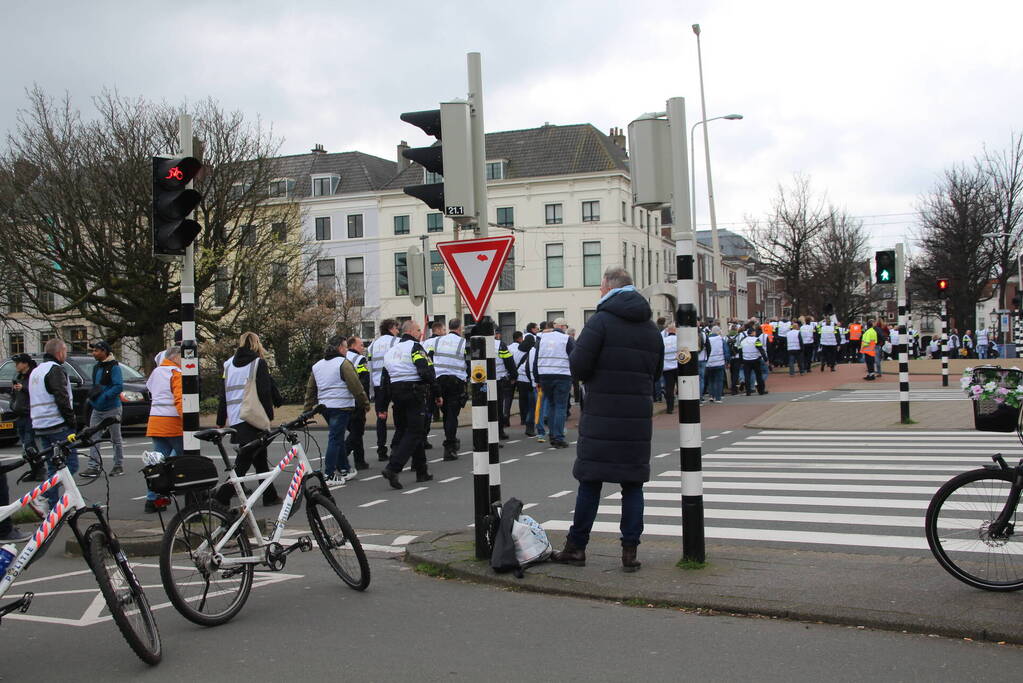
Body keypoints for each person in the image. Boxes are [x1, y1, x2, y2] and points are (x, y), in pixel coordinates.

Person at [552, 267, 661, 572]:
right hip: (636, 418)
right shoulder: (650, 328)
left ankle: (576, 548)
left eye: (601, 288)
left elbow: (578, 365)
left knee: (590, 482)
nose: (599, 292)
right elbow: (656, 373)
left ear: (609, 288)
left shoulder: (599, 322)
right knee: (633, 485)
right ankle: (630, 552)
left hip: (601, 414)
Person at [215, 332, 283, 507]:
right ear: (256, 343)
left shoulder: (228, 365)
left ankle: (269, 495)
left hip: (235, 417)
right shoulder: (258, 363)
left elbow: (223, 394)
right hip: (252, 416)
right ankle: (221, 497)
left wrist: (221, 418)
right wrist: (268, 416)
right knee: (244, 461)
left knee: (259, 457)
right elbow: (264, 391)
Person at [378, 320, 440, 489]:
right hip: (414, 392)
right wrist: (437, 392)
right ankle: (393, 468)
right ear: (411, 331)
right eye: (419, 330)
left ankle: (422, 471)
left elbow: (384, 380)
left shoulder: (391, 351)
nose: (420, 333)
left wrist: (382, 405)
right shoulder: (415, 347)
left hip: (396, 393)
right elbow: (425, 369)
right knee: (415, 431)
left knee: (410, 430)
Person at [304, 335, 370, 484]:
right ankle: (329, 474)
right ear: (340, 348)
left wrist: (307, 409)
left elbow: (310, 389)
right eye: (345, 347)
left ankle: (344, 468)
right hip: (341, 406)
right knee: (335, 438)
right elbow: (356, 385)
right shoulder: (343, 363)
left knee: (338, 438)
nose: (347, 350)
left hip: (324, 407)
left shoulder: (318, 365)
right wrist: (364, 403)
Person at [30, 338, 80, 509]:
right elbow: (61, 397)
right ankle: (44, 496)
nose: (66, 354)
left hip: (40, 424)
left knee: (53, 467)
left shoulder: (36, 371)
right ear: (59, 352)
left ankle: (52, 508)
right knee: (70, 465)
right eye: (65, 351)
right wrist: (72, 421)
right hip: (57, 424)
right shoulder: (55, 370)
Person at [143, 345, 183, 513]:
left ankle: (153, 498)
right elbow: (180, 399)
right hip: (172, 422)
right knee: (185, 457)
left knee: (158, 461)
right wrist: (188, 421)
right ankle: (191, 491)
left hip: (155, 420)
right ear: (176, 357)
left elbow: (150, 389)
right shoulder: (176, 373)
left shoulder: (157, 372)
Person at [80, 340, 125, 478]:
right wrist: (93, 398)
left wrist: (105, 396)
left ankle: (118, 465)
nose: (93, 353)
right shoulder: (96, 367)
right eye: (93, 351)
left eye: (96, 351)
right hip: (97, 409)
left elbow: (118, 386)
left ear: (104, 351)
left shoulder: (114, 367)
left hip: (112, 408)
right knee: (93, 436)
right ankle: (93, 466)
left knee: (115, 438)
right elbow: (97, 385)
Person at [533, 316, 575, 448]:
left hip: (545, 376)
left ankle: (551, 434)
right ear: (562, 327)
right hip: (562, 376)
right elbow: (574, 357)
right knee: (560, 406)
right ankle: (558, 437)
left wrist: (537, 378)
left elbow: (536, 359)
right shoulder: (567, 339)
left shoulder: (541, 338)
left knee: (551, 405)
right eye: (566, 327)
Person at [431, 318, 468, 460]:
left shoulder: (437, 341)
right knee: (452, 415)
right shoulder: (463, 342)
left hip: (439, 381)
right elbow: (468, 361)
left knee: (446, 414)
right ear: (459, 328)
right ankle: (450, 447)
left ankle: (450, 439)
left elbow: (430, 358)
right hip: (455, 381)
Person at [367, 319, 400, 462]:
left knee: (381, 418)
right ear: (391, 328)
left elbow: (370, 368)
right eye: (397, 328)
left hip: (378, 386)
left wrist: (371, 392)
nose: (398, 331)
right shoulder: (397, 342)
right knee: (400, 415)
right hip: (394, 383)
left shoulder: (372, 345)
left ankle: (381, 450)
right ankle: (396, 447)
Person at [9, 354, 44, 481]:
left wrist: (23, 388)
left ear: (25, 364)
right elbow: (14, 395)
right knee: (25, 445)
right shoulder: (18, 377)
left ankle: (40, 469)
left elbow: (38, 392)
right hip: (20, 415)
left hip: (30, 415)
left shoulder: (33, 376)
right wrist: (13, 405)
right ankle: (34, 469)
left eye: (18, 363)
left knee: (29, 443)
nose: (16, 366)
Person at [344, 336, 371, 470]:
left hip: (343, 400)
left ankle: (360, 461)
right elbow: (364, 381)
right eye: (361, 345)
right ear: (353, 345)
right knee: (357, 431)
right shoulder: (359, 359)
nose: (363, 348)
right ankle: (341, 455)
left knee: (355, 430)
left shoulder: (342, 357)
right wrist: (365, 400)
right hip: (356, 399)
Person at [510, 331, 536, 435]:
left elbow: (513, 363)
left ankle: (523, 418)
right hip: (529, 379)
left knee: (522, 399)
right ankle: (530, 421)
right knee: (531, 402)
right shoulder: (532, 351)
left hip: (519, 378)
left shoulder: (517, 350)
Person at [494, 330, 517, 440]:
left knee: (485, 407)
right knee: (498, 406)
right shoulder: (500, 345)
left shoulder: (478, 343)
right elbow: (509, 361)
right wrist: (513, 376)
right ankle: (499, 432)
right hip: (498, 380)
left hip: (482, 382)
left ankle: (486, 432)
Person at [740, 325, 769, 395]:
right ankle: (761, 391)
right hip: (755, 360)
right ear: (753, 333)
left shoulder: (743, 341)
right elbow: (761, 350)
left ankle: (748, 391)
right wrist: (766, 359)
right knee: (758, 375)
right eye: (754, 332)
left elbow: (740, 351)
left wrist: (741, 361)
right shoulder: (756, 340)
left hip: (746, 360)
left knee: (747, 376)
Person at [705, 325, 727, 403]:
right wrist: (727, 361)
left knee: (711, 380)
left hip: (709, 363)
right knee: (719, 380)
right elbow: (726, 351)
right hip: (719, 362)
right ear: (718, 332)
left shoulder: (707, 339)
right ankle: (718, 398)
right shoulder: (721, 339)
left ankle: (711, 396)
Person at [661, 325, 678, 413]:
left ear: (668, 331)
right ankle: (684, 404)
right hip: (678, 366)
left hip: (667, 367)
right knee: (681, 387)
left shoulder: (663, 340)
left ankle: (669, 408)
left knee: (669, 388)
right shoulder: (679, 340)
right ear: (676, 331)